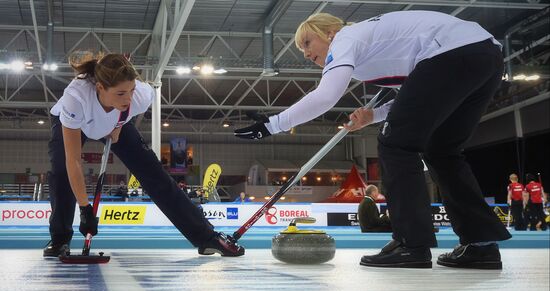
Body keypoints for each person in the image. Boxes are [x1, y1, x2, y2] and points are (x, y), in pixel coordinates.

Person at [235, 11, 511, 269]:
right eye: (302, 49)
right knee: (442, 151)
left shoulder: (345, 38)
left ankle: (411, 245)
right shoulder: (376, 47)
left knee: (395, 145)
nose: (306, 53)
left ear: (330, 32)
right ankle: (481, 245)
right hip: (485, 55)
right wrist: (373, 115)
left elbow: (327, 95)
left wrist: (273, 124)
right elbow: (417, 97)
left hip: (450, 55)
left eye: (308, 42)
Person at [43, 52, 244, 257]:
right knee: (61, 173)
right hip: (72, 124)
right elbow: (73, 161)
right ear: (100, 88)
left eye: (131, 90)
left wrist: (118, 124)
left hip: (113, 122)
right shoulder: (75, 98)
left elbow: (126, 106)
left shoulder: (140, 96)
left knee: (153, 172)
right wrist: (85, 209)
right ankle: (60, 239)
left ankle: (206, 237)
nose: (128, 98)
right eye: (121, 93)